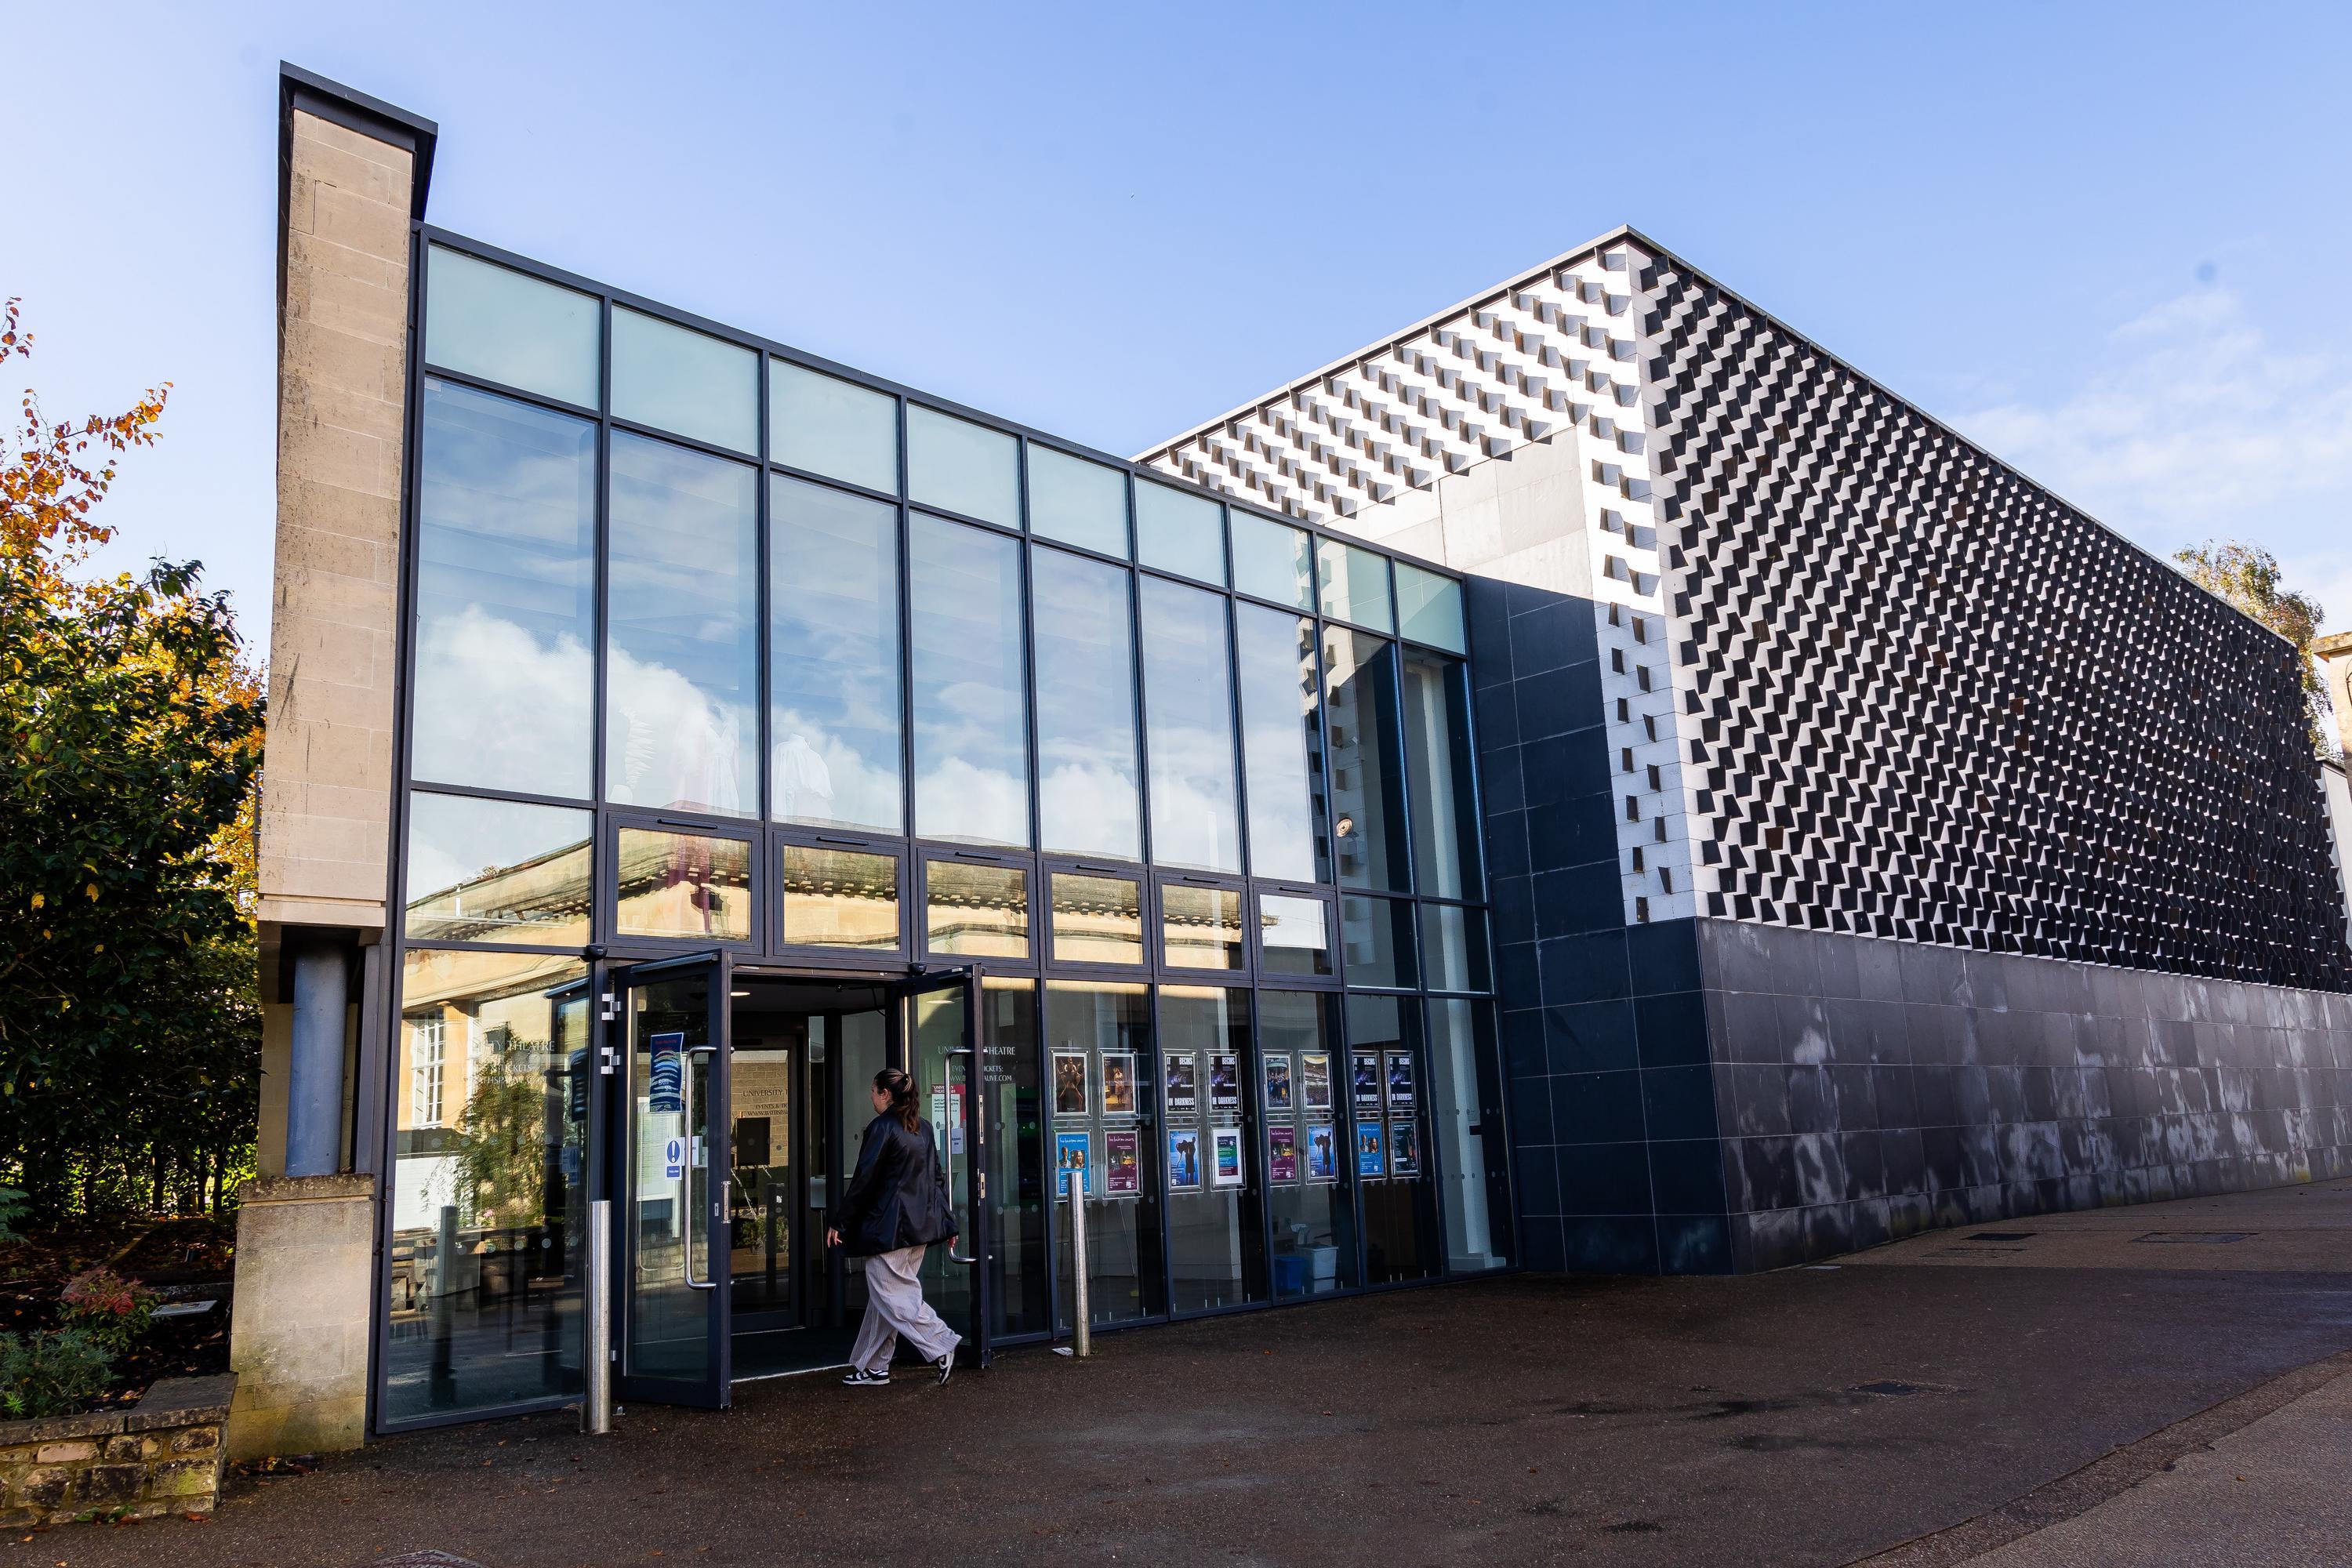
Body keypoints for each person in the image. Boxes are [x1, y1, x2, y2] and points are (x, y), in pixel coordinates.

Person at [826, 1068, 962, 1387]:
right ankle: (875, 1366)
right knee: (884, 1299)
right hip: (920, 1229)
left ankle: (941, 1343)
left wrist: (840, 1221)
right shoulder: (923, 1128)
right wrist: (948, 1223)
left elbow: (864, 1180)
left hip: (890, 1230)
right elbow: (937, 1180)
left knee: (893, 1294)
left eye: (873, 1092)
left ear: (885, 1093)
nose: (871, 1098)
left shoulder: (882, 1128)